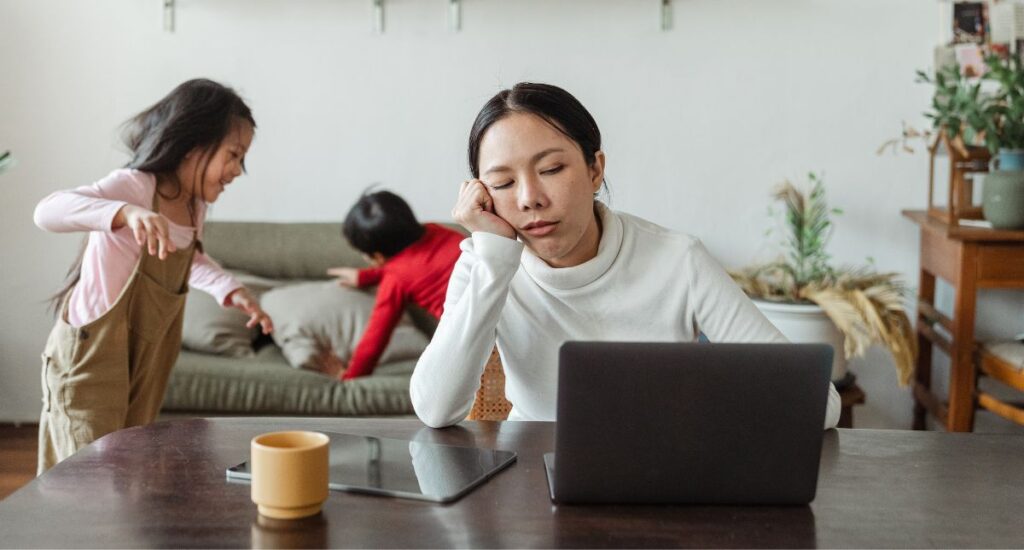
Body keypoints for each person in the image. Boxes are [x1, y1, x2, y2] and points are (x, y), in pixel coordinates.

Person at [410, 82, 841, 429]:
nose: (529, 199)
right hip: (532, 483)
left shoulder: (678, 260)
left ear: (595, 169)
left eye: (552, 170)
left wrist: (700, 410)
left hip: (662, 475)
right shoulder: (487, 263)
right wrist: (494, 257)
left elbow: (819, 404)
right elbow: (435, 409)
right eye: (502, 183)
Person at [33, 78, 274, 473]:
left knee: (126, 468)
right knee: (84, 475)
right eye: (233, 155)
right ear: (193, 145)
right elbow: (46, 212)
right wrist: (125, 212)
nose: (237, 171)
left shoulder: (193, 207)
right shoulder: (133, 187)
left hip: (146, 361)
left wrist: (233, 290)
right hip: (90, 359)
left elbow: (187, 260)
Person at [327, 190, 464, 380]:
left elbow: (375, 338)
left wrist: (351, 375)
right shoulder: (436, 230)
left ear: (377, 256)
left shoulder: (395, 281)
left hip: (472, 337)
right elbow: (418, 264)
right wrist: (366, 277)